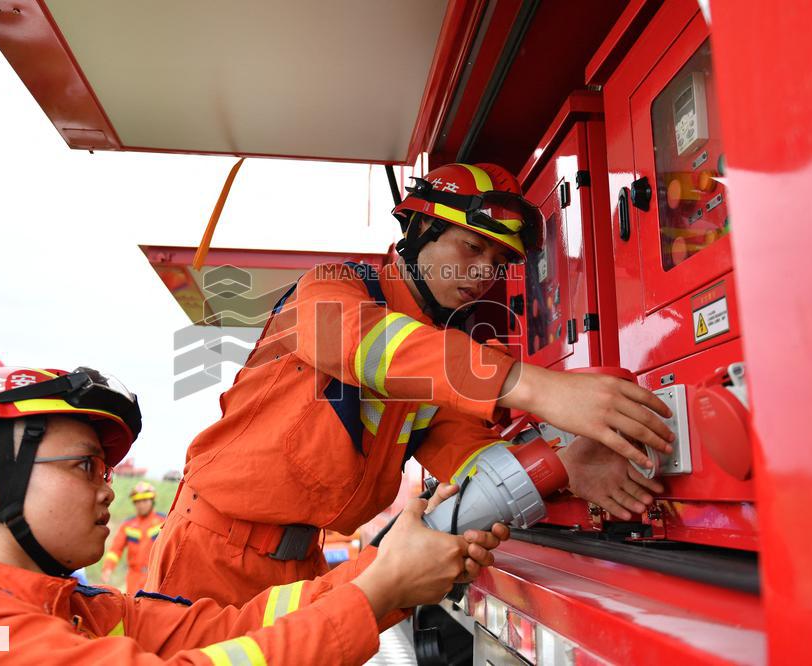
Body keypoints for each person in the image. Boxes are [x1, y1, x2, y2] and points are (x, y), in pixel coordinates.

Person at [147, 162, 671, 606]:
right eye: (471, 248)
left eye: (498, 263)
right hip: (211, 553)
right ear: (418, 231)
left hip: (298, 565)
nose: (482, 274)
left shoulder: (436, 356)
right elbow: (361, 345)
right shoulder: (333, 289)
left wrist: (565, 466)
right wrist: (536, 387)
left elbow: (471, 459)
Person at [0, 366, 508, 665]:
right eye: (87, 466)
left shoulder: (75, 607)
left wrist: (388, 570)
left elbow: (239, 626)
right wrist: (379, 590)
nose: (109, 490)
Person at [102, 481, 166, 593]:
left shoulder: (164, 521)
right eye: (137, 501)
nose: (141, 505)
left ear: (152, 501)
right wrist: (108, 568)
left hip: (156, 575)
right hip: (134, 578)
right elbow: (116, 549)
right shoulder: (128, 525)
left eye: (145, 500)